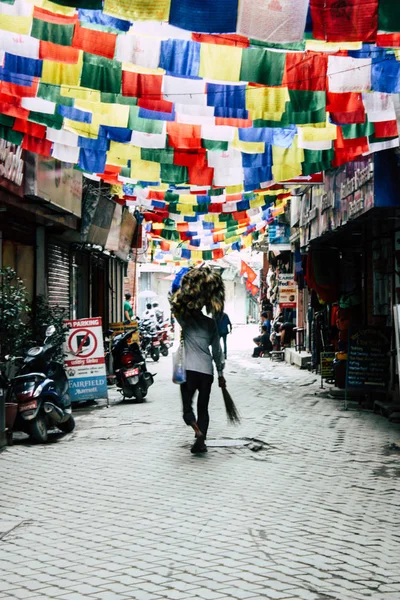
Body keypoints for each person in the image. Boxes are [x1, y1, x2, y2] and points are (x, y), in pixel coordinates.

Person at [176, 309, 225, 454]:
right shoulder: (210, 323)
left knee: (187, 406)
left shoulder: (185, 320)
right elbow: (217, 350)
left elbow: (173, 304)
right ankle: (201, 442)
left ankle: (197, 430)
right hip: (206, 371)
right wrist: (220, 373)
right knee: (203, 408)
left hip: (189, 371)